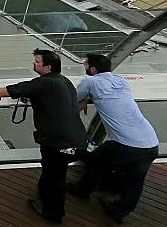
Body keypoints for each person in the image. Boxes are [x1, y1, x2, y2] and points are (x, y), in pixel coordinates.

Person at [0, 49, 86, 225]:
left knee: (56, 178)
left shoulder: (44, 83)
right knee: (53, 173)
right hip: (76, 139)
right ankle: (44, 196)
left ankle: (53, 214)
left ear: (48, 67)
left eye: (37, 61)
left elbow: (18, 88)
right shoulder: (64, 81)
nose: (34, 64)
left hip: (58, 142)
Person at [67, 53, 159, 223]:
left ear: (93, 69)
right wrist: (90, 97)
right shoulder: (120, 80)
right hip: (151, 143)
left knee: (95, 159)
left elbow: (72, 98)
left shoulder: (91, 81)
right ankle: (119, 211)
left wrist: (86, 98)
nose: (84, 67)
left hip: (125, 144)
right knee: (136, 181)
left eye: (86, 65)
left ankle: (83, 190)